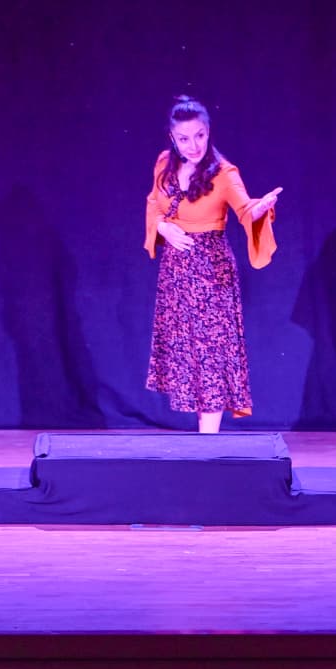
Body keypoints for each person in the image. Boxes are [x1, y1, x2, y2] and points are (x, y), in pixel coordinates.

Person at [144, 95, 282, 433]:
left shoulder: (223, 173)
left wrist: (261, 208)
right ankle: (203, 440)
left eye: (200, 136)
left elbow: (245, 210)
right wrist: (161, 227)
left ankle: (208, 442)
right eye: (184, 138)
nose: (193, 146)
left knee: (211, 355)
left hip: (210, 273)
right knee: (190, 355)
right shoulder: (164, 164)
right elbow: (154, 203)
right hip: (176, 274)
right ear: (172, 138)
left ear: (208, 132)